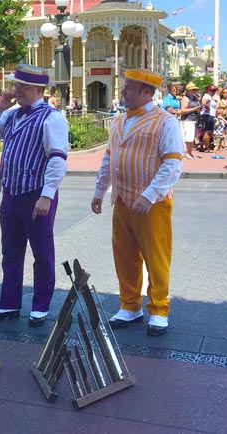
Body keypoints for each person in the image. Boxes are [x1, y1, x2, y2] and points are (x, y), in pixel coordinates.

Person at [91, 68, 184, 337]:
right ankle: (130, 305)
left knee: (156, 257)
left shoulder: (165, 121)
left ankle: (159, 309)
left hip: (151, 204)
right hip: (121, 200)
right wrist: (100, 191)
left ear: (145, 92)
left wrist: (150, 194)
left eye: (128, 88)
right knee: (125, 256)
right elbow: (109, 159)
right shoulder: (119, 121)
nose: (122, 92)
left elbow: (173, 163)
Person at [0, 64, 69, 327]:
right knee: (11, 253)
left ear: (38, 90)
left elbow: (57, 158)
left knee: (42, 253)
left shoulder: (52, 118)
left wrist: (47, 194)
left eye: (21, 87)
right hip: (10, 194)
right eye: (15, 85)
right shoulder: (11, 116)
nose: (15, 90)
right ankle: (9, 302)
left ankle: (40, 305)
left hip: (35, 195)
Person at [179, 82, 202, 159]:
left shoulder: (194, 98)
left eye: (194, 90)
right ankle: (186, 153)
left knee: (192, 137)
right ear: (188, 90)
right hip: (187, 120)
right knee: (187, 137)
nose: (194, 91)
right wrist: (193, 109)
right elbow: (183, 110)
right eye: (192, 90)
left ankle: (190, 152)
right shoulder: (185, 98)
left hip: (194, 119)